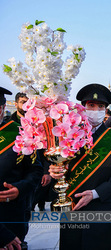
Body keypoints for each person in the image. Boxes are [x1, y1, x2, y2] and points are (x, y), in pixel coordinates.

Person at [49, 83, 111, 250]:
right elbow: (60, 165)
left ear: (106, 110)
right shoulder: (67, 132)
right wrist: (55, 171)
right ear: (83, 108)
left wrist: (94, 194)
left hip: (104, 205)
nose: (95, 110)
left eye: (100, 106)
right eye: (91, 105)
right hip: (73, 206)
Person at [0, 87, 43, 250]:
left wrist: (20, 188)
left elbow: (35, 170)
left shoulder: (20, 133)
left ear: (3, 108)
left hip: (11, 213)